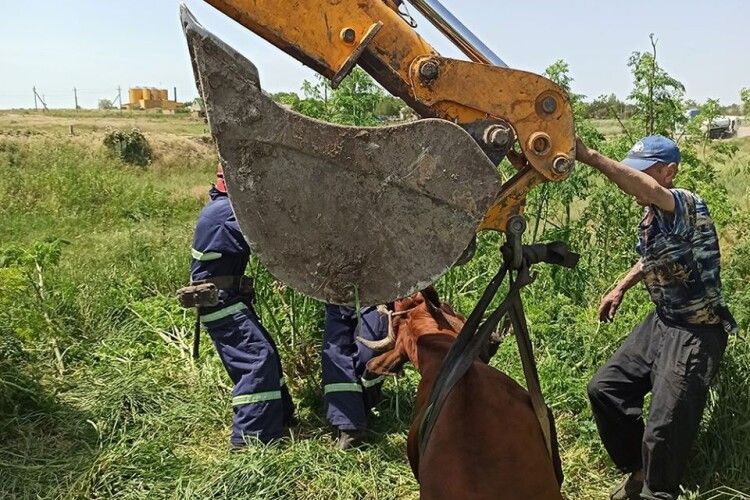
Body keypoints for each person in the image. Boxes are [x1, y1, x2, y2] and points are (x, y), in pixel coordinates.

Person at [576, 135, 737, 500]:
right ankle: (640, 469)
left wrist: (590, 157)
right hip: (663, 320)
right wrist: (621, 286)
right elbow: (653, 257)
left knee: (663, 429)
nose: (635, 181)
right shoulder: (652, 215)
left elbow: (647, 189)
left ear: (669, 172)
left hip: (697, 330)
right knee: (605, 390)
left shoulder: (684, 203)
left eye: (644, 172)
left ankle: (658, 491)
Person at [190, 163, 295, 447]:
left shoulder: (221, 207)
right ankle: (251, 441)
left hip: (224, 297)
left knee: (265, 350)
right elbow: (271, 238)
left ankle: (282, 417)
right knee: (256, 360)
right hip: (219, 298)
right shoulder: (227, 212)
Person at [323, 304, 388, 449]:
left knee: (369, 354)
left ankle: (363, 405)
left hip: (376, 296)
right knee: (335, 354)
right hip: (338, 296)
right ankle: (349, 427)